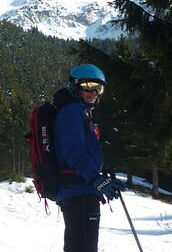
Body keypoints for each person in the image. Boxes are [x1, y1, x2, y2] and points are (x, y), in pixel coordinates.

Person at [52, 64, 125, 252]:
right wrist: (94, 177)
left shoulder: (81, 113)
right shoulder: (71, 112)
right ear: (75, 86)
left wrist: (100, 171)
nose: (93, 92)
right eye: (89, 85)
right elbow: (72, 151)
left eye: (98, 88)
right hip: (78, 191)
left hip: (82, 190)